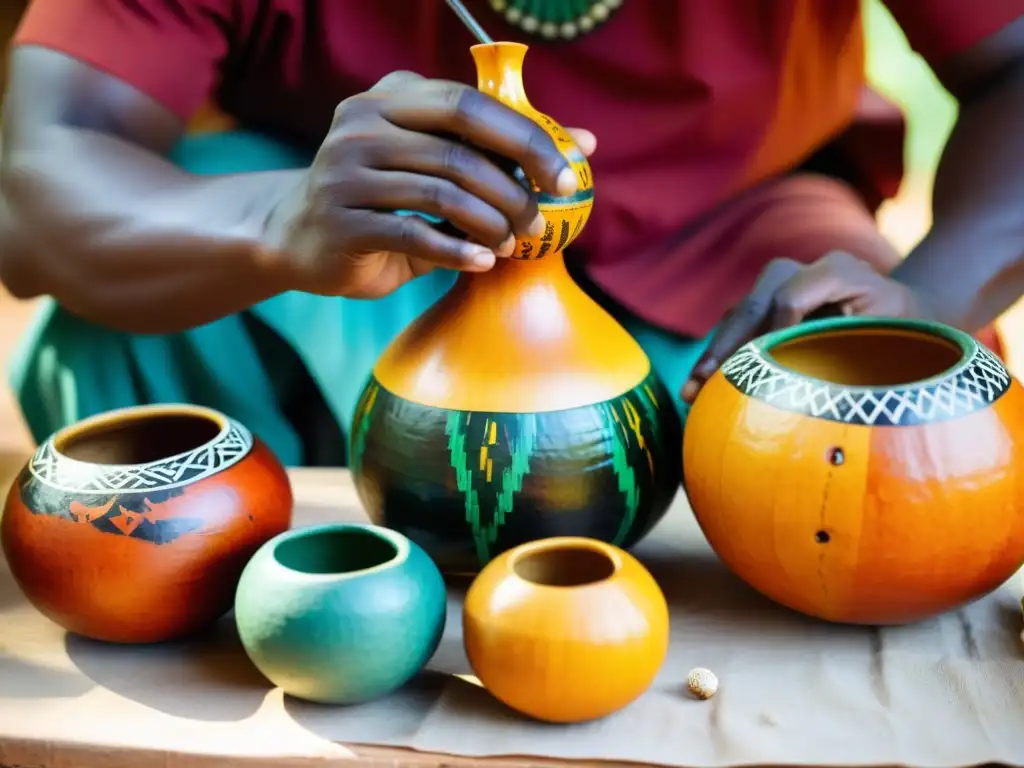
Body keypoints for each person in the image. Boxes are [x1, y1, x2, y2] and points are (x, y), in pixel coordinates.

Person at [0, 0, 1022, 467]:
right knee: (137, 315)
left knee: (910, 392)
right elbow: (36, 178)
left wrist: (932, 293)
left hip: (737, 244)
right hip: (360, 237)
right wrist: (275, 220)